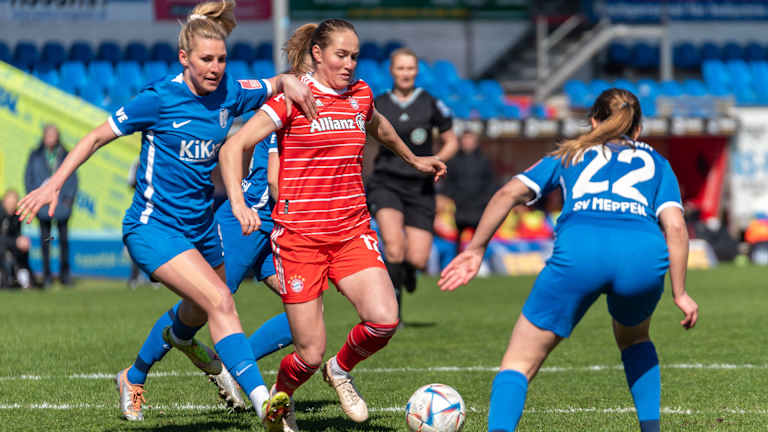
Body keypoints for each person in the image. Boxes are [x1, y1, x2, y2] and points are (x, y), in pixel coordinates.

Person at [16, 1, 317, 429]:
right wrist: (55, 182)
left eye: (221, 59)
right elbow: (97, 136)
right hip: (152, 228)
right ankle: (265, 404)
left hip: (203, 229)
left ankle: (135, 373)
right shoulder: (159, 98)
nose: (215, 68)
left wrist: (291, 82)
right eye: (206, 60)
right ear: (184, 59)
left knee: (194, 314)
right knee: (220, 301)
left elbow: (273, 83)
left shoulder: (231, 90)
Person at [219, 19, 446, 429]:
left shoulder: (360, 94)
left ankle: (340, 370)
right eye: (341, 55)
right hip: (300, 239)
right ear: (319, 54)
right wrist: (237, 201)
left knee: (384, 320)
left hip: (352, 232)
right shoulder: (293, 98)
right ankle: (281, 397)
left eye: (355, 56)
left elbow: (376, 123)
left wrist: (413, 159)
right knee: (308, 353)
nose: (349, 64)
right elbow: (236, 145)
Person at [438, 88, 699, 432]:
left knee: (518, 363)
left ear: (593, 121)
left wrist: (474, 250)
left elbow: (507, 193)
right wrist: (679, 292)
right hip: (642, 257)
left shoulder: (571, 153)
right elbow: (677, 228)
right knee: (634, 339)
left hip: (580, 253)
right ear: (638, 130)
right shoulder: (658, 163)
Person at [365, 47, 458, 318]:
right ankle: (394, 313)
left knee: (416, 258)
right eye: (400, 68)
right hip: (386, 183)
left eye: (410, 68)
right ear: (391, 71)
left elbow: (450, 140)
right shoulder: (378, 104)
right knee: (393, 247)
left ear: (416, 71)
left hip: (420, 186)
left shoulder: (430, 103)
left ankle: (407, 272)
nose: (405, 73)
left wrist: (435, 160)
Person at [24, 124, 78, 286]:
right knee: (46, 240)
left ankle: (64, 275)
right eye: (48, 134)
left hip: (61, 204)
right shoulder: (35, 155)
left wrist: (68, 199)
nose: (50, 138)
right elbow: (29, 177)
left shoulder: (65, 154)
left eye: (53, 134)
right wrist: (35, 198)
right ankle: (47, 275)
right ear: (44, 136)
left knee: (63, 241)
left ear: (57, 136)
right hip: (43, 205)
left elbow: (73, 178)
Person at [441, 130, 496, 254]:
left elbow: (490, 183)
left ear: (475, 142)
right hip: (460, 207)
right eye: (465, 140)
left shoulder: (484, 160)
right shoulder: (454, 161)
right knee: (458, 239)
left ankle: (478, 260)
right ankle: (457, 261)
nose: (467, 142)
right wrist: (454, 197)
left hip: (479, 207)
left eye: (470, 139)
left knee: (479, 238)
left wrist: (484, 200)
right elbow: (448, 183)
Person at [0, 189, 34, 289]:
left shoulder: (17, 215)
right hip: (3, 245)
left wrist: (21, 241)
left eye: (14, 204)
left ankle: (24, 279)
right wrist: (15, 242)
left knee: (23, 249)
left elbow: (17, 234)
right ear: (4, 202)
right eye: (9, 203)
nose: (12, 206)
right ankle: (6, 279)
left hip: (9, 244)